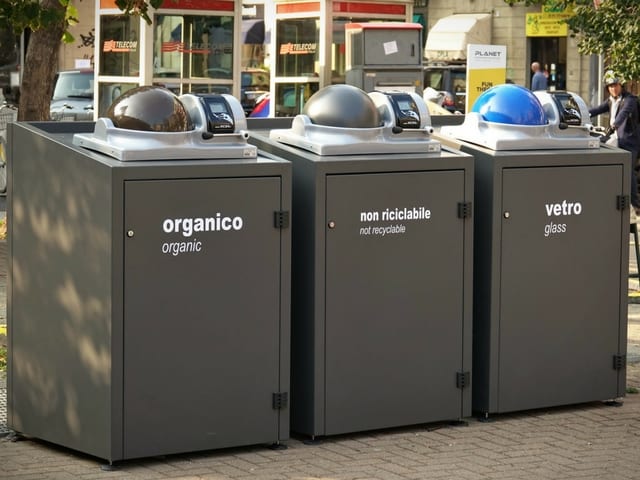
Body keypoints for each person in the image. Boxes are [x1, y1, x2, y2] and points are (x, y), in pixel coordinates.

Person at [589, 70, 640, 217]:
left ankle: (636, 206)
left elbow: (623, 115)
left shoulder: (629, 100)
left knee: (628, 171)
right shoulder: (611, 100)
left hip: (629, 141)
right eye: (610, 86)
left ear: (621, 85)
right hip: (616, 140)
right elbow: (597, 110)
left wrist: (612, 127)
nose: (613, 88)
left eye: (616, 85)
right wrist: (581, 113)